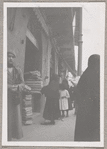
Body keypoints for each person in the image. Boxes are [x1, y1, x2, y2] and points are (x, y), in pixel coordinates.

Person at [74, 54, 100, 141]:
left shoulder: (84, 75)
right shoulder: (97, 75)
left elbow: (77, 93)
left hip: (84, 110)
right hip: (93, 109)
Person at [7, 51, 24, 141]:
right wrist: (8, 87)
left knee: (15, 117)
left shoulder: (18, 70)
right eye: (8, 57)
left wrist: (17, 87)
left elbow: (22, 83)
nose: (10, 59)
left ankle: (12, 136)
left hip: (15, 97)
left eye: (12, 57)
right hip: (5, 97)